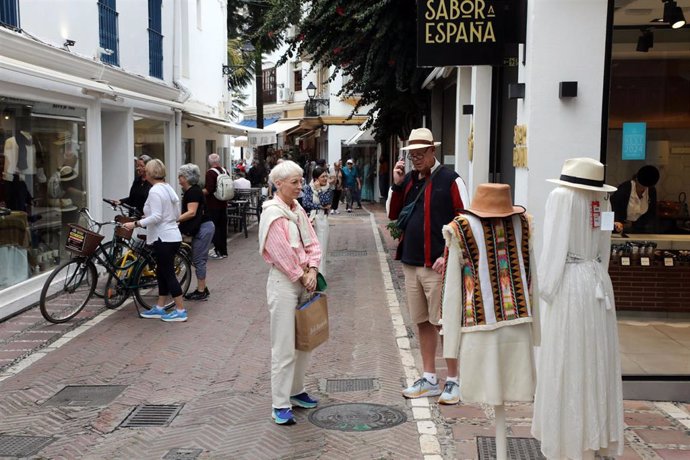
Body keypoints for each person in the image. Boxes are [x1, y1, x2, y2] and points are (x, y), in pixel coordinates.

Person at [532, 157, 623, 459]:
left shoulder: (561, 197)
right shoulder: (603, 201)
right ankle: (589, 433)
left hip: (570, 282)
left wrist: (544, 288)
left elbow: (554, 246)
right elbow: (604, 251)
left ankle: (567, 434)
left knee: (566, 356)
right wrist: (599, 275)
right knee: (594, 356)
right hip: (597, 282)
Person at [387, 127, 468, 405]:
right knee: (422, 322)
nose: (416, 159)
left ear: (433, 151)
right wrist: (397, 184)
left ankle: (454, 380)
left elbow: (465, 221)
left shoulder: (451, 180)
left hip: (439, 265)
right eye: (412, 155)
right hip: (412, 263)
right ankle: (430, 378)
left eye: (421, 153)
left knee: (444, 323)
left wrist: (451, 254)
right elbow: (393, 214)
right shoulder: (408, 181)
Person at [258, 160, 322, 425]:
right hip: (284, 284)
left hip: (303, 279)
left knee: (305, 342)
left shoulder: (298, 210)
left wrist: (314, 269)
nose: (300, 186)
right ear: (279, 184)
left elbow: (313, 243)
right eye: (295, 182)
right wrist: (302, 275)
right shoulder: (272, 213)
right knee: (284, 345)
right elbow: (281, 253)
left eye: (300, 181)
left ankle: (296, 391)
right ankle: (280, 403)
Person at [122, 159, 187, 322]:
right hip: (172, 235)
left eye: (146, 171)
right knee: (162, 273)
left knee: (168, 274)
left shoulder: (155, 191)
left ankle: (180, 310)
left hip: (163, 237)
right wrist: (151, 218)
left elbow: (157, 216)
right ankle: (160, 307)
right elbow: (176, 214)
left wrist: (135, 223)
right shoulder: (168, 188)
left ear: (150, 173)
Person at [177, 163, 215, 302]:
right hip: (204, 227)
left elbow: (191, 212)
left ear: (186, 178)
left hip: (203, 228)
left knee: (199, 259)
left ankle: (201, 290)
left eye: (180, 175)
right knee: (197, 258)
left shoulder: (193, 191)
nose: (178, 178)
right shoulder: (192, 190)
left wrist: (175, 219)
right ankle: (202, 288)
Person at [302, 166, 333, 275]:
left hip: (322, 220)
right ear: (316, 179)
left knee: (322, 249)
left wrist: (319, 190)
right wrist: (320, 206)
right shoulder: (308, 188)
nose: (325, 179)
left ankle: (320, 276)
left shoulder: (328, 188)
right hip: (310, 220)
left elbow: (327, 203)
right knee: (309, 249)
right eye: (323, 176)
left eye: (326, 176)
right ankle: (310, 274)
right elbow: (306, 203)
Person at [611, 165, 659, 233]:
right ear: (636, 179)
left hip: (640, 229)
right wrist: (617, 222)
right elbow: (614, 206)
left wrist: (634, 224)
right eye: (642, 184)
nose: (644, 188)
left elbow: (651, 213)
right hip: (620, 228)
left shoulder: (651, 191)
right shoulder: (625, 188)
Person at [203, 153, 229, 260]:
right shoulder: (224, 171)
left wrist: (199, 192)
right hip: (223, 203)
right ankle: (224, 251)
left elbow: (209, 189)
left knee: (215, 228)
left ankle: (217, 251)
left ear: (209, 162)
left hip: (213, 204)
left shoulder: (210, 173)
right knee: (222, 228)